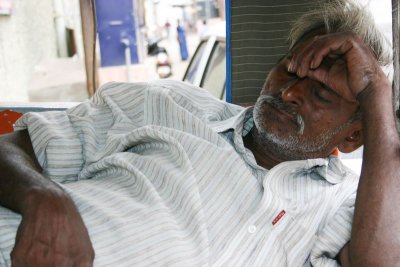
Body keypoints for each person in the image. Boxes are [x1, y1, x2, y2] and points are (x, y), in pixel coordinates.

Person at [0, 0, 399, 266]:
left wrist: (376, 90)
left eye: (321, 93)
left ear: (353, 137)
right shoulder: (169, 104)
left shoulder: (342, 203)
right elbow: (12, 147)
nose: (289, 92)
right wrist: (42, 197)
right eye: (289, 70)